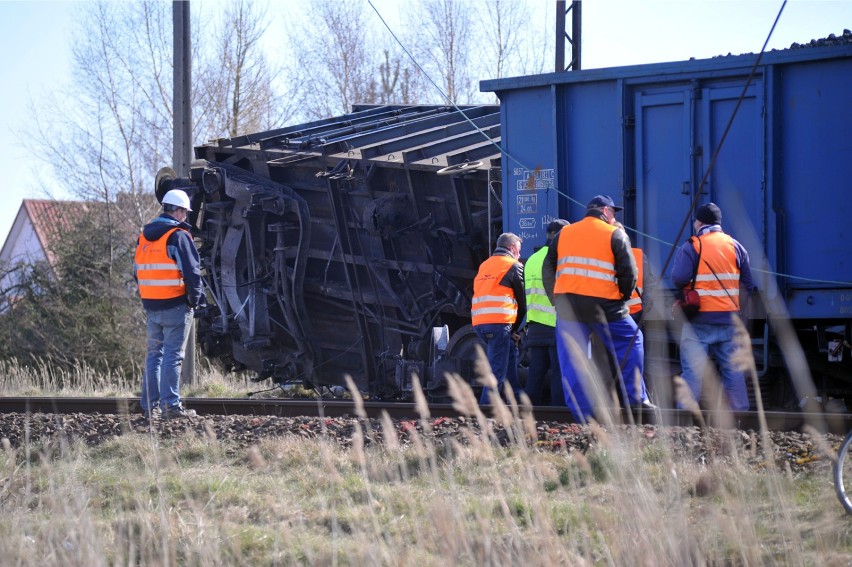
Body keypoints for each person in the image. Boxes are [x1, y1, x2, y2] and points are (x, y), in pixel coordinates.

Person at [542, 195, 651, 422]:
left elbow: (548, 266)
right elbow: (629, 271)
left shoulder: (565, 233)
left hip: (569, 308)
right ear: (605, 211)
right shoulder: (614, 233)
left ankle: (585, 416)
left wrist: (556, 299)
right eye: (614, 212)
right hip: (606, 307)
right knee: (633, 342)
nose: (615, 217)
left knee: (573, 360)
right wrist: (621, 297)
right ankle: (637, 399)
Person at [671, 202, 757, 411]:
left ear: (699, 222)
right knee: (734, 372)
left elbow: (678, 278)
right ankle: (740, 416)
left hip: (699, 321)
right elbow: (748, 284)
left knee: (693, 372)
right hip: (730, 322)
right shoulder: (736, 246)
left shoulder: (693, 245)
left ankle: (686, 420)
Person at [134, 189, 204, 419]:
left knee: (155, 355)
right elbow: (192, 273)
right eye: (185, 212)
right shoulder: (178, 236)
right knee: (173, 356)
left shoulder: (144, 236)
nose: (186, 217)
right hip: (175, 305)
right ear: (180, 211)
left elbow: (137, 272)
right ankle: (171, 406)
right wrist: (196, 301)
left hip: (152, 306)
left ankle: (149, 407)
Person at [472, 232, 526, 405]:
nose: (519, 255)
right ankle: (486, 410)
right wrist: (516, 329)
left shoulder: (484, 265)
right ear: (511, 248)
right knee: (497, 372)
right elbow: (522, 302)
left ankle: (518, 399)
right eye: (518, 251)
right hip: (499, 323)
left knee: (509, 358)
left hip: (480, 324)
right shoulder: (513, 265)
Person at [523, 219, 570, 406]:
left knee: (536, 372)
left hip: (535, 326)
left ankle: (529, 413)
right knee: (558, 371)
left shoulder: (531, 259)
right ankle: (558, 414)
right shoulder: (558, 258)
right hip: (555, 324)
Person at [613, 221, 657, 326]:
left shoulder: (605, 256)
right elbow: (650, 285)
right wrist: (644, 309)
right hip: (635, 313)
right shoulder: (638, 255)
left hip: (615, 315)